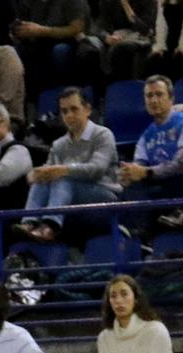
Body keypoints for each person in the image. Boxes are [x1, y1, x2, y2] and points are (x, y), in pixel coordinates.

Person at [17, 86, 120, 241]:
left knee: (62, 179)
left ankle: (51, 225)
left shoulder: (103, 135)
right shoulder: (59, 144)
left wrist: (64, 170)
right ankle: (29, 222)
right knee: (44, 180)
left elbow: (97, 169)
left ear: (87, 110)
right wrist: (35, 174)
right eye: (64, 111)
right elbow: (49, 170)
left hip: (105, 196)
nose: (69, 115)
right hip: (69, 198)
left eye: (74, 109)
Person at [120, 74, 183, 207]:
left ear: (171, 98)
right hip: (156, 183)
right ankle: (135, 227)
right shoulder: (145, 136)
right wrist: (130, 173)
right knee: (129, 183)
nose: (154, 100)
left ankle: (139, 226)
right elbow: (138, 166)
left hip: (182, 183)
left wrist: (147, 172)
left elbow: (181, 165)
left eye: (159, 94)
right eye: (149, 96)